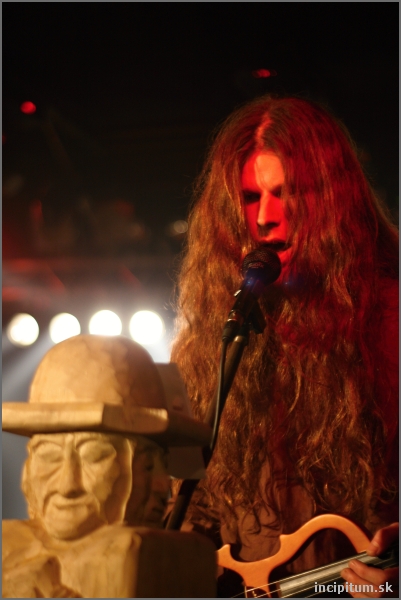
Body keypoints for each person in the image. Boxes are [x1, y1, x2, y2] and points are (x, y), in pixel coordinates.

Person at [171, 95, 399, 598]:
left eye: (288, 192)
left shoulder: (392, 323)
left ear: (334, 201)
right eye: (251, 197)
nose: (266, 218)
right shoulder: (213, 341)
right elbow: (191, 507)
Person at [2, 334, 216, 598]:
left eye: (94, 456)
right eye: (49, 456)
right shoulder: (10, 546)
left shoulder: (167, 557)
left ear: (151, 470)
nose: (67, 485)